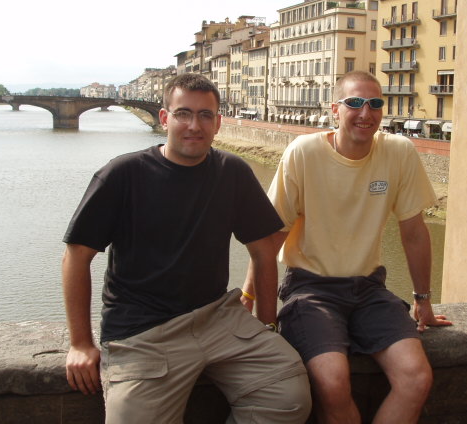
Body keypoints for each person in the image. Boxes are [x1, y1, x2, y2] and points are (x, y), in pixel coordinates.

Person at [62, 73, 311, 424]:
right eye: (183, 114)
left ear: (218, 123)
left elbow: (263, 250)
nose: (194, 125)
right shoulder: (122, 174)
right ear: (164, 118)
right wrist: (80, 343)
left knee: (288, 397)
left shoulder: (232, 172)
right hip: (143, 331)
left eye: (205, 115)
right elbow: (76, 256)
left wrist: (266, 325)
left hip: (217, 317)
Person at [242, 71, 452, 424]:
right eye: (354, 103)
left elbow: (414, 232)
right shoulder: (303, 153)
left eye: (375, 103)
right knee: (333, 383)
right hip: (310, 289)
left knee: (416, 378)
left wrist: (423, 300)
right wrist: (249, 299)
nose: (365, 113)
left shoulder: (398, 151)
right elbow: (272, 236)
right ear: (334, 111)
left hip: (370, 288)